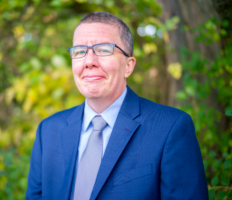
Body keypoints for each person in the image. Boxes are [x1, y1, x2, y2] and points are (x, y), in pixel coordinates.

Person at [25, 12, 208, 200]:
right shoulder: (48, 131)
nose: (89, 62)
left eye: (104, 50)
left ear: (128, 66)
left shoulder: (171, 128)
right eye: (80, 51)